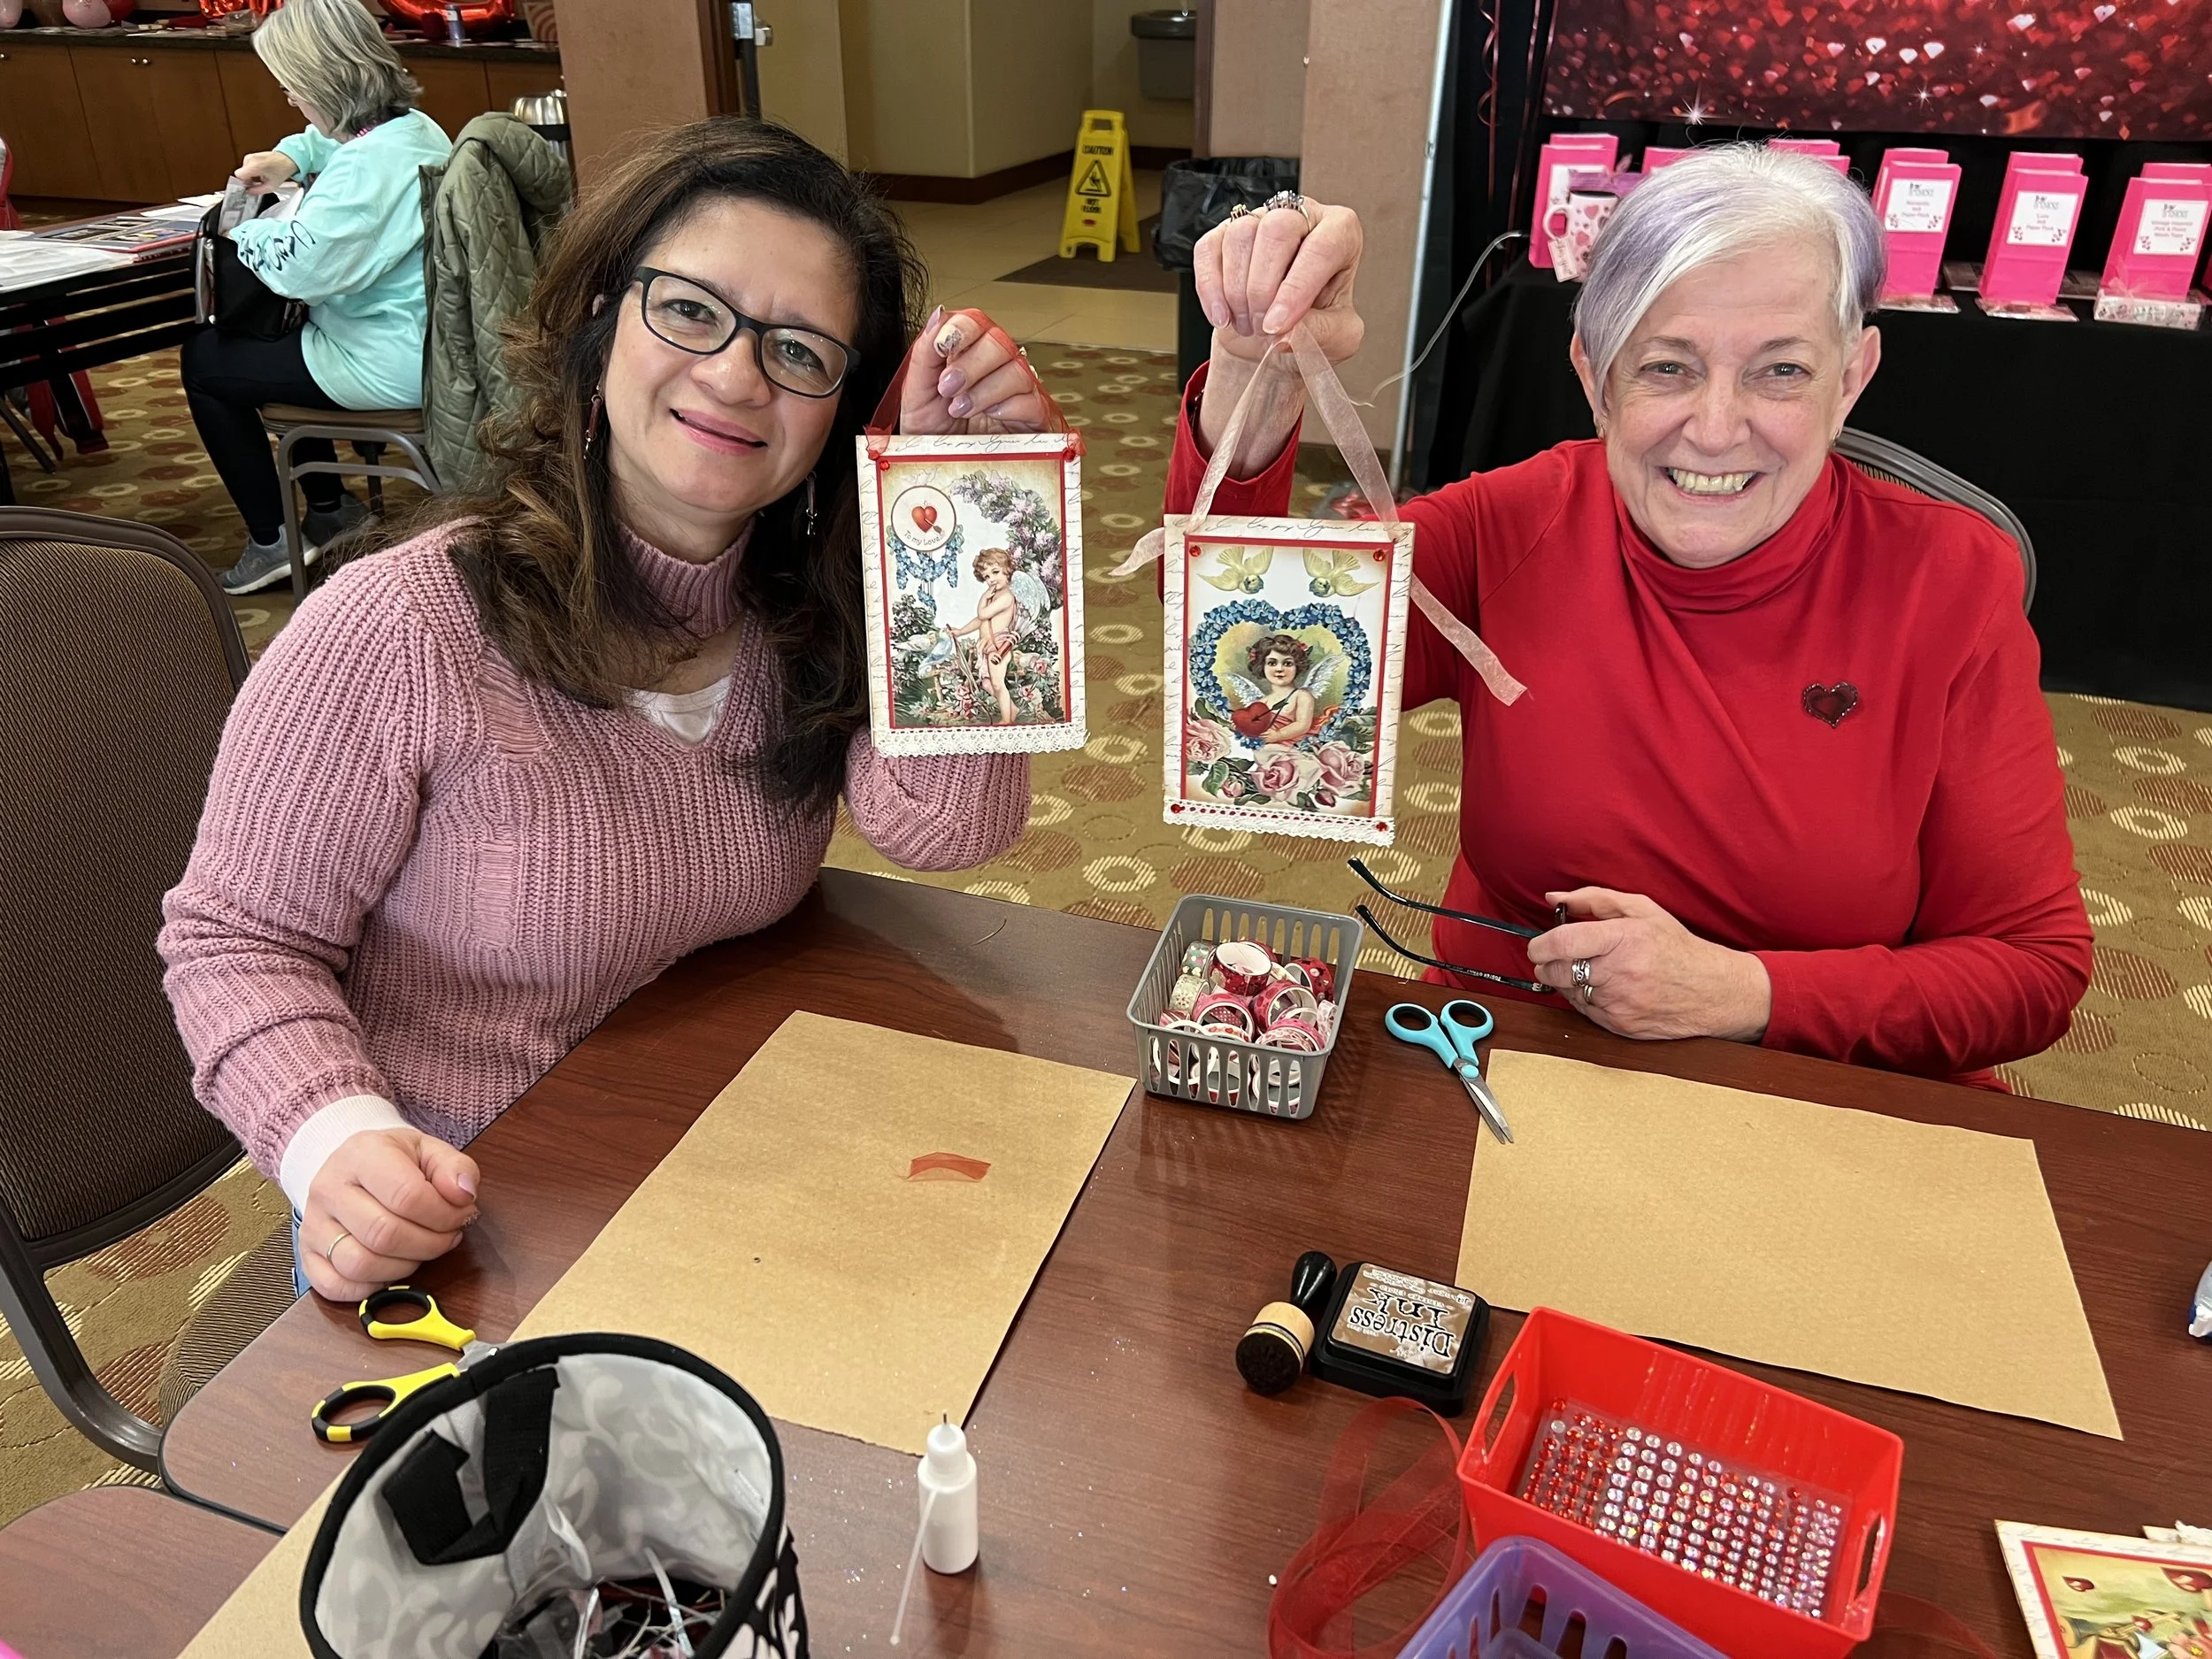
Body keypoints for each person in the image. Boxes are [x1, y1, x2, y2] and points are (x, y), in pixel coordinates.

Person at [160, 119, 1050, 1301]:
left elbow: (951, 827)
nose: (736, 374)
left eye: (800, 351)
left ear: (843, 407)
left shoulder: (806, 608)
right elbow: (235, 939)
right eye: (690, 310)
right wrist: (336, 1143)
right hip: (470, 1223)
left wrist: (965, 502)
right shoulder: (402, 627)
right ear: (599, 321)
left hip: (719, 1174)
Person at [1167, 144, 2091, 1085]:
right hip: (1505, 1052)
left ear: (1851, 376)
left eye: (1781, 372)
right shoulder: (1510, 527)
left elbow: (2030, 969)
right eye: (1666, 367)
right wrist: (1260, 362)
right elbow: (1222, 655)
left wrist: (1745, 993)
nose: (1718, 428)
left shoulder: (1945, 578)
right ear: (1592, 374)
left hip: (1820, 1088)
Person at [182, 0, 453, 595]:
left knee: (206, 360)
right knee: (268, 345)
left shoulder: (365, 170)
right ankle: (331, 510)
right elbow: (339, 144)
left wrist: (240, 231)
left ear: (324, 80)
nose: (287, 98)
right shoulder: (413, 129)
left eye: (292, 86)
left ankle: (272, 538)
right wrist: (292, 156)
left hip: (387, 362)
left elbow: (298, 270)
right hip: (423, 338)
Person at [946, 546, 1020, 723]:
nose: (991, 579)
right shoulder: (995, 597)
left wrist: (984, 598)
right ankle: (1012, 709)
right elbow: (980, 621)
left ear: (1007, 571)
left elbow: (983, 614)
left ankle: (1006, 720)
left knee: (997, 684)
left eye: (996, 572)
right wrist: (961, 631)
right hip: (987, 647)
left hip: (1000, 646)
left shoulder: (1006, 597)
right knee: (987, 684)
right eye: (987, 576)